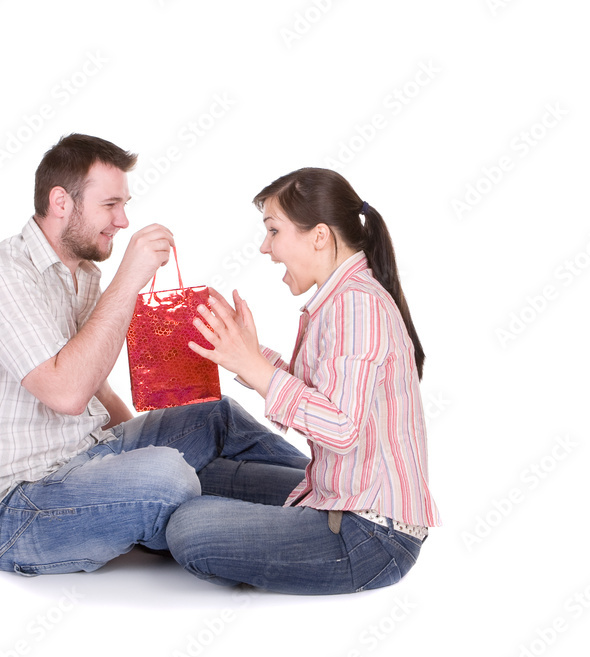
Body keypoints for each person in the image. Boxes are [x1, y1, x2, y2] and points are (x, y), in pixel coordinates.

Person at [0, 134, 308, 576]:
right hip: (15, 510)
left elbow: (94, 384)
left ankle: (332, 493)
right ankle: (256, 513)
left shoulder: (79, 276)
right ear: (61, 202)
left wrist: (155, 438)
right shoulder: (1, 277)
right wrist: (129, 278)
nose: (122, 220)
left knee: (214, 416)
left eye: (124, 204)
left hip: (86, 458)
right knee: (168, 476)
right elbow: (66, 393)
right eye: (110, 204)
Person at [166, 167, 441, 594]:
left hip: (371, 536)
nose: (264, 247)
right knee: (206, 473)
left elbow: (341, 428)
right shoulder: (342, 298)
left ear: (319, 235)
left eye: (273, 231)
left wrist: (257, 369)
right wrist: (248, 353)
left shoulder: (356, 305)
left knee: (187, 527)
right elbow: (326, 395)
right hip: (339, 491)